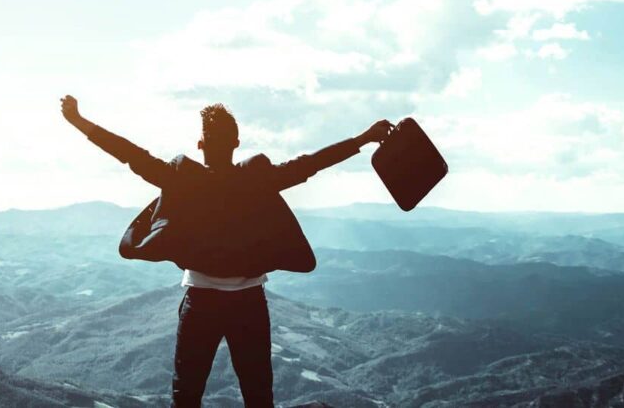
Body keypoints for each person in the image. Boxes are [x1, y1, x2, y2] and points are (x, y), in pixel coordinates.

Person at [60, 95, 392, 408]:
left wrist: (78, 120)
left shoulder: (182, 180)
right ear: (236, 144)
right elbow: (310, 164)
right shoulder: (257, 180)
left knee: (186, 396)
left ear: (200, 145)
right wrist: (363, 138)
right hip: (249, 303)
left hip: (200, 303)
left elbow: (128, 153)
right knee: (258, 395)